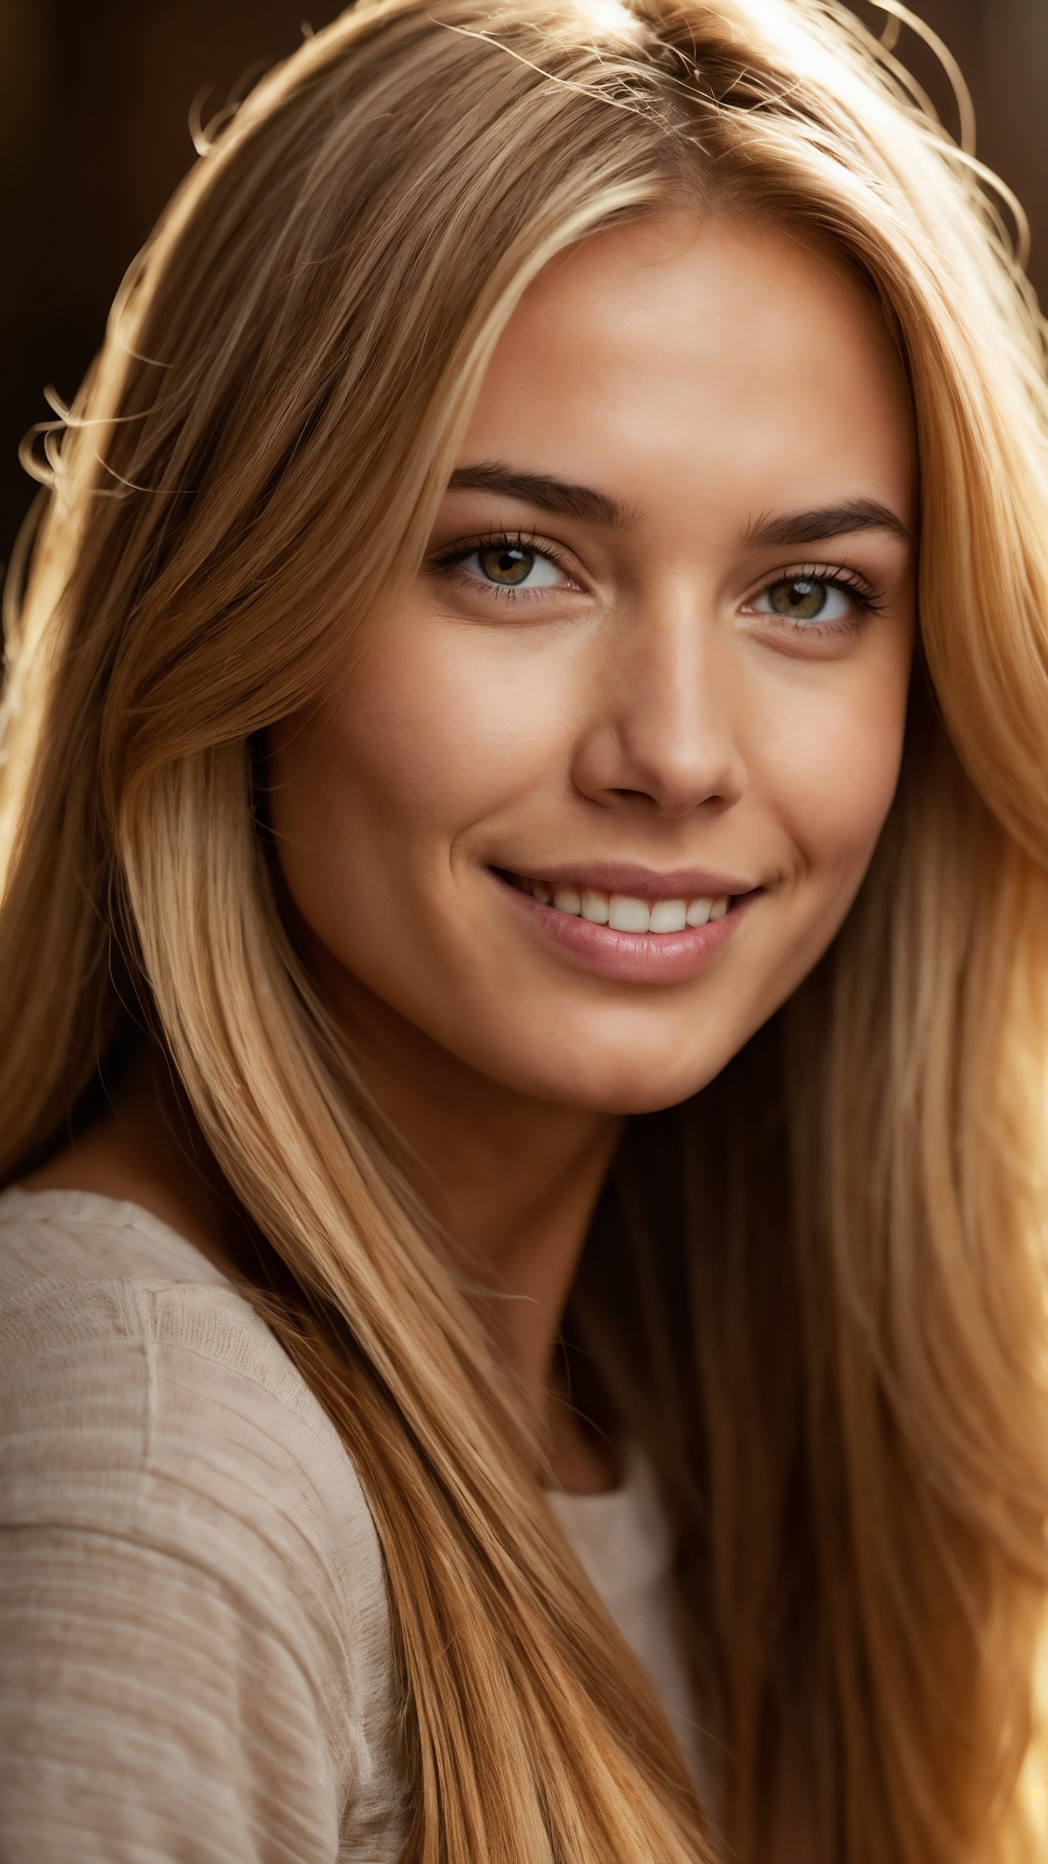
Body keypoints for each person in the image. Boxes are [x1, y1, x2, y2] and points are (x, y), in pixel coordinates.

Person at [2, 0, 1047, 1857]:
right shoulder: (144, 1464)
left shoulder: (694, 1438)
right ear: (244, 592)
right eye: (512, 558)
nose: (678, 751)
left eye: (809, 591)